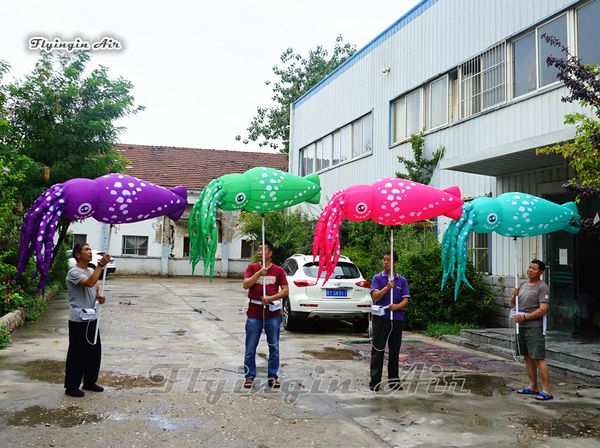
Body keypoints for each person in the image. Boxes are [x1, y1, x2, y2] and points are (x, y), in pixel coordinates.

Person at [64, 243, 111, 397]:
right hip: (78, 319)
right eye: (86, 249)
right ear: (78, 254)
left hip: (91, 317)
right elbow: (89, 282)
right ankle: (71, 387)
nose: (90, 252)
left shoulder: (90, 270)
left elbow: (95, 285)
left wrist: (99, 295)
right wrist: (101, 265)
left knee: (94, 351)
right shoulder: (74, 273)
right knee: (77, 353)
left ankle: (89, 382)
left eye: (90, 249)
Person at [242, 241, 289, 389]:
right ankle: (249, 376)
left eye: (264, 250)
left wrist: (271, 298)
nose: (260, 252)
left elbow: (285, 290)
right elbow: (246, 284)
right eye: (259, 250)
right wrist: (258, 274)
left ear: (270, 253)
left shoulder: (278, 270)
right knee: (250, 347)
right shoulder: (252, 268)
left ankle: (272, 376)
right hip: (254, 314)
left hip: (273, 315)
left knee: (274, 347)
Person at [511, 259, 553, 401]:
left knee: (538, 358)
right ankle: (532, 386)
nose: (530, 270)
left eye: (534, 269)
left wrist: (525, 317)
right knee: (527, 357)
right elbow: (512, 304)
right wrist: (514, 295)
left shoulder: (542, 287)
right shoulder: (523, 285)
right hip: (521, 326)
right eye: (529, 267)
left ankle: (547, 390)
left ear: (540, 272)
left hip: (534, 327)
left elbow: (543, 309)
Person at [369, 252, 410, 392]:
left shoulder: (402, 280)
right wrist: (387, 288)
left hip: (396, 320)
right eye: (384, 259)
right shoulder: (377, 278)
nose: (385, 262)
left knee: (394, 351)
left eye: (389, 260)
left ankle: (394, 381)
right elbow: (375, 296)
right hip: (381, 319)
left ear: (395, 263)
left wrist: (397, 307)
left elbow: (406, 300)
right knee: (378, 350)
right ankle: (375, 381)